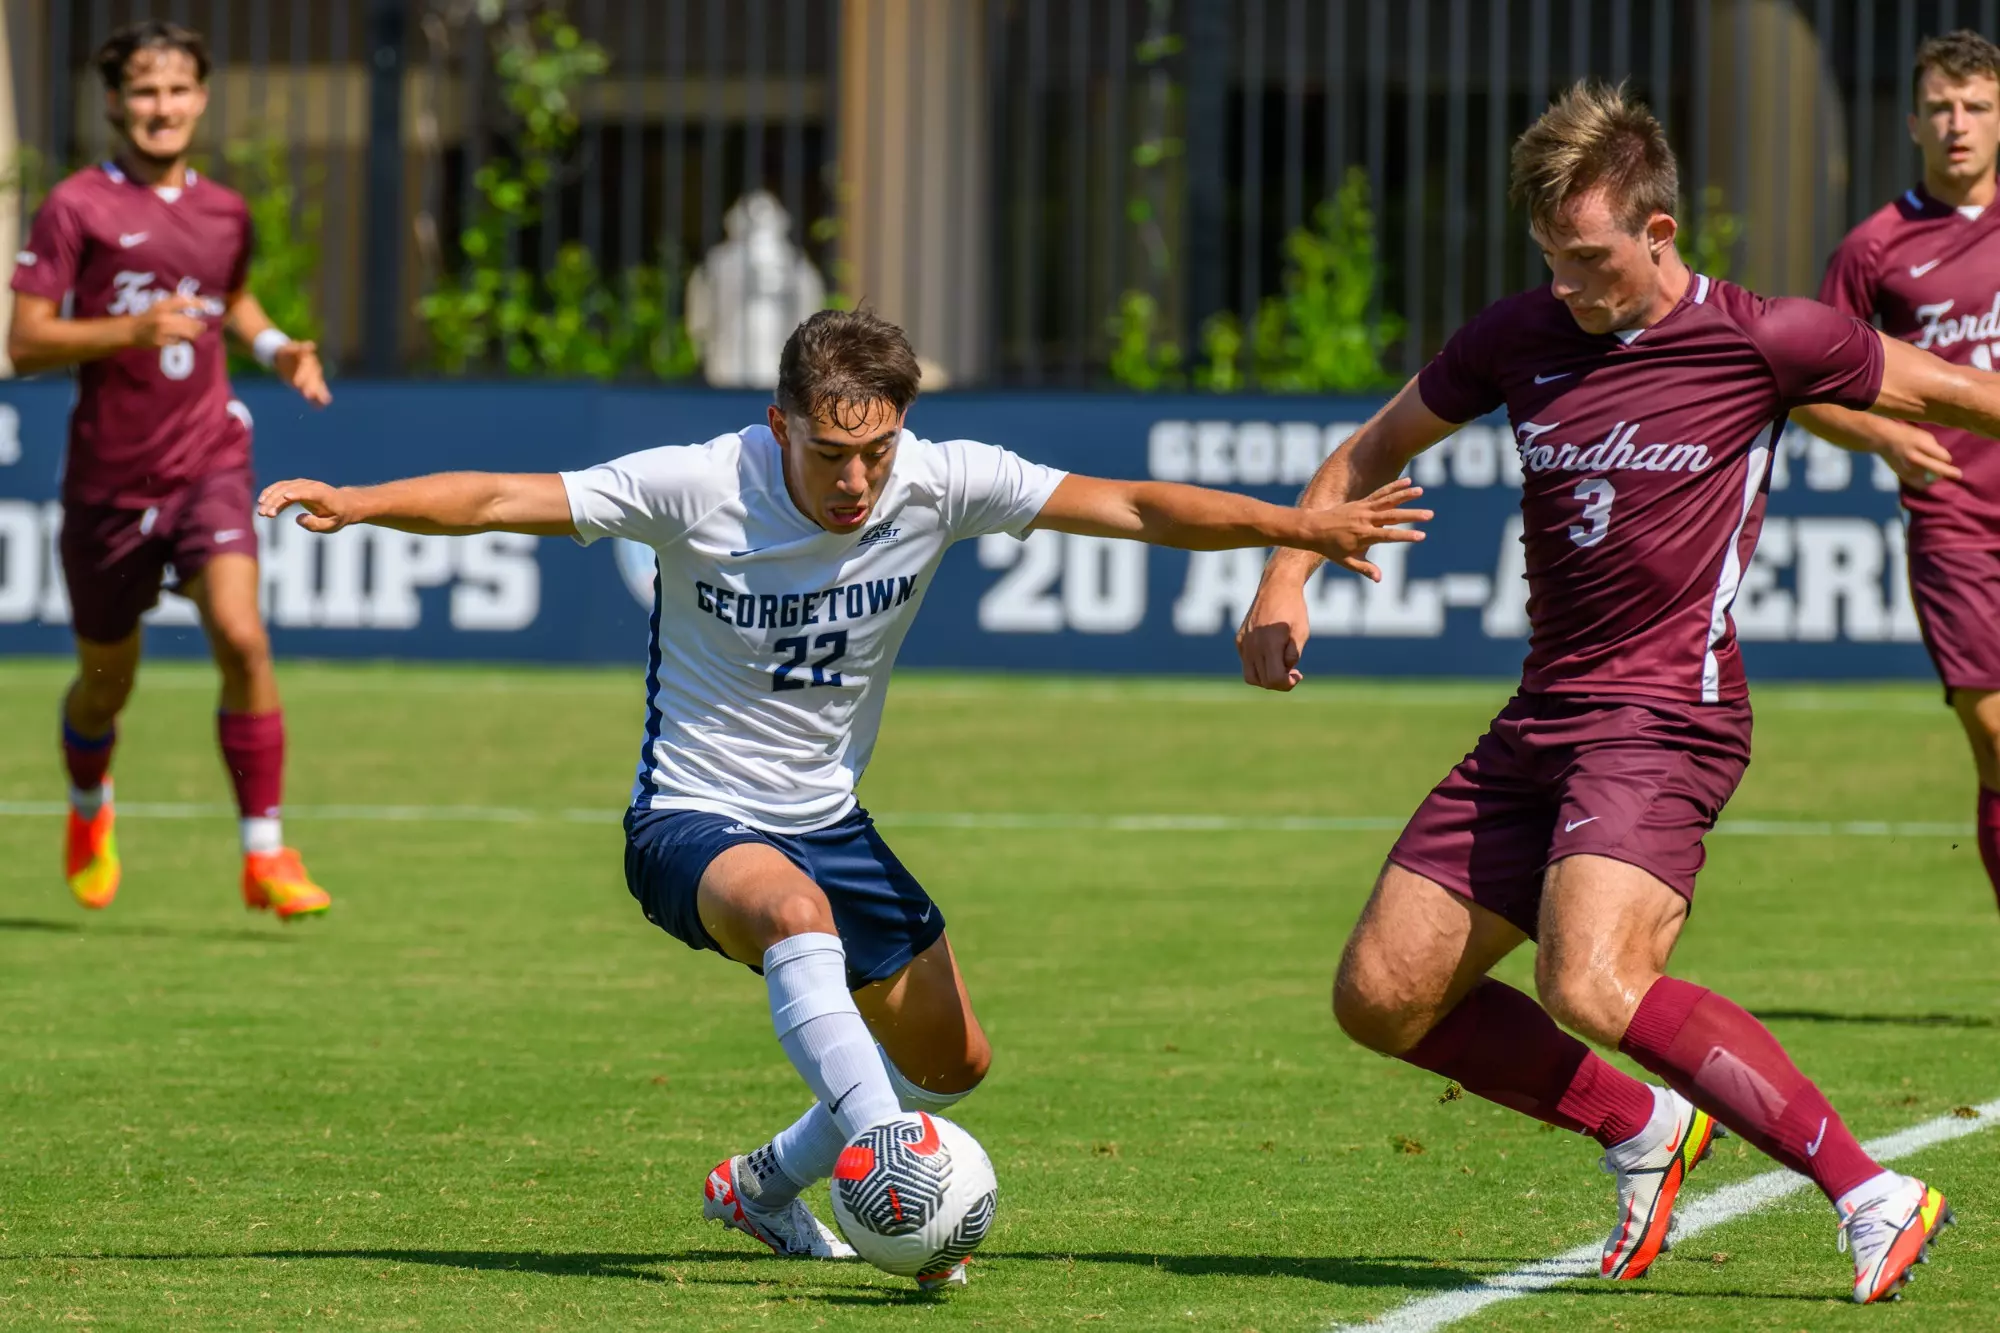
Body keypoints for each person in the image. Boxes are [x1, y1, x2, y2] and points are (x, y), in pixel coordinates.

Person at [253, 307, 1431, 1285]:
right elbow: (505, 499)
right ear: (781, 425)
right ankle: (892, 1169)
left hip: (832, 822)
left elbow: (1127, 506)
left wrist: (1294, 526)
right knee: (794, 919)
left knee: (955, 1057)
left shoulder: (939, 479)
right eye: (831, 453)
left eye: (877, 451)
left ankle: (762, 1184)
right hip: (690, 819)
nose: (858, 478)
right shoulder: (695, 483)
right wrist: (362, 501)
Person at [1237, 82, 1989, 1305]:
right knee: (1379, 997)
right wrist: (1285, 571)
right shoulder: (1514, 336)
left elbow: (1948, 391)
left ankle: (1870, 1189)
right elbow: (1366, 453)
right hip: (1539, 719)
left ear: (1657, 232)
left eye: (1589, 260)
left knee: (1589, 979)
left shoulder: (1764, 336)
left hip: (1666, 718)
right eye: (1550, 259)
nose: (1569, 286)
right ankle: (1638, 1127)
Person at [7, 20, 333, 920]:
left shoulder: (226, 210)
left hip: (207, 460)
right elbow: (24, 339)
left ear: (201, 98)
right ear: (115, 103)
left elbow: (228, 297)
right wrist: (128, 330)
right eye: (144, 91)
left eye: (179, 89)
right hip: (109, 482)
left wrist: (276, 347)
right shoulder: (76, 205)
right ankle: (85, 806)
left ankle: (265, 852)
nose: (163, 107)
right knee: (106, 683)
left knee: (243, 635)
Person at [1794, 30, 2000, 916]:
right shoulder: (1876, 248)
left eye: (1978, 107)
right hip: (1957, 524)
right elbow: (1803, 389)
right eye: (1943, 108)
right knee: (1996, 736)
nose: (1959, 124)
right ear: (1914, 120)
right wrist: (1880, 436)